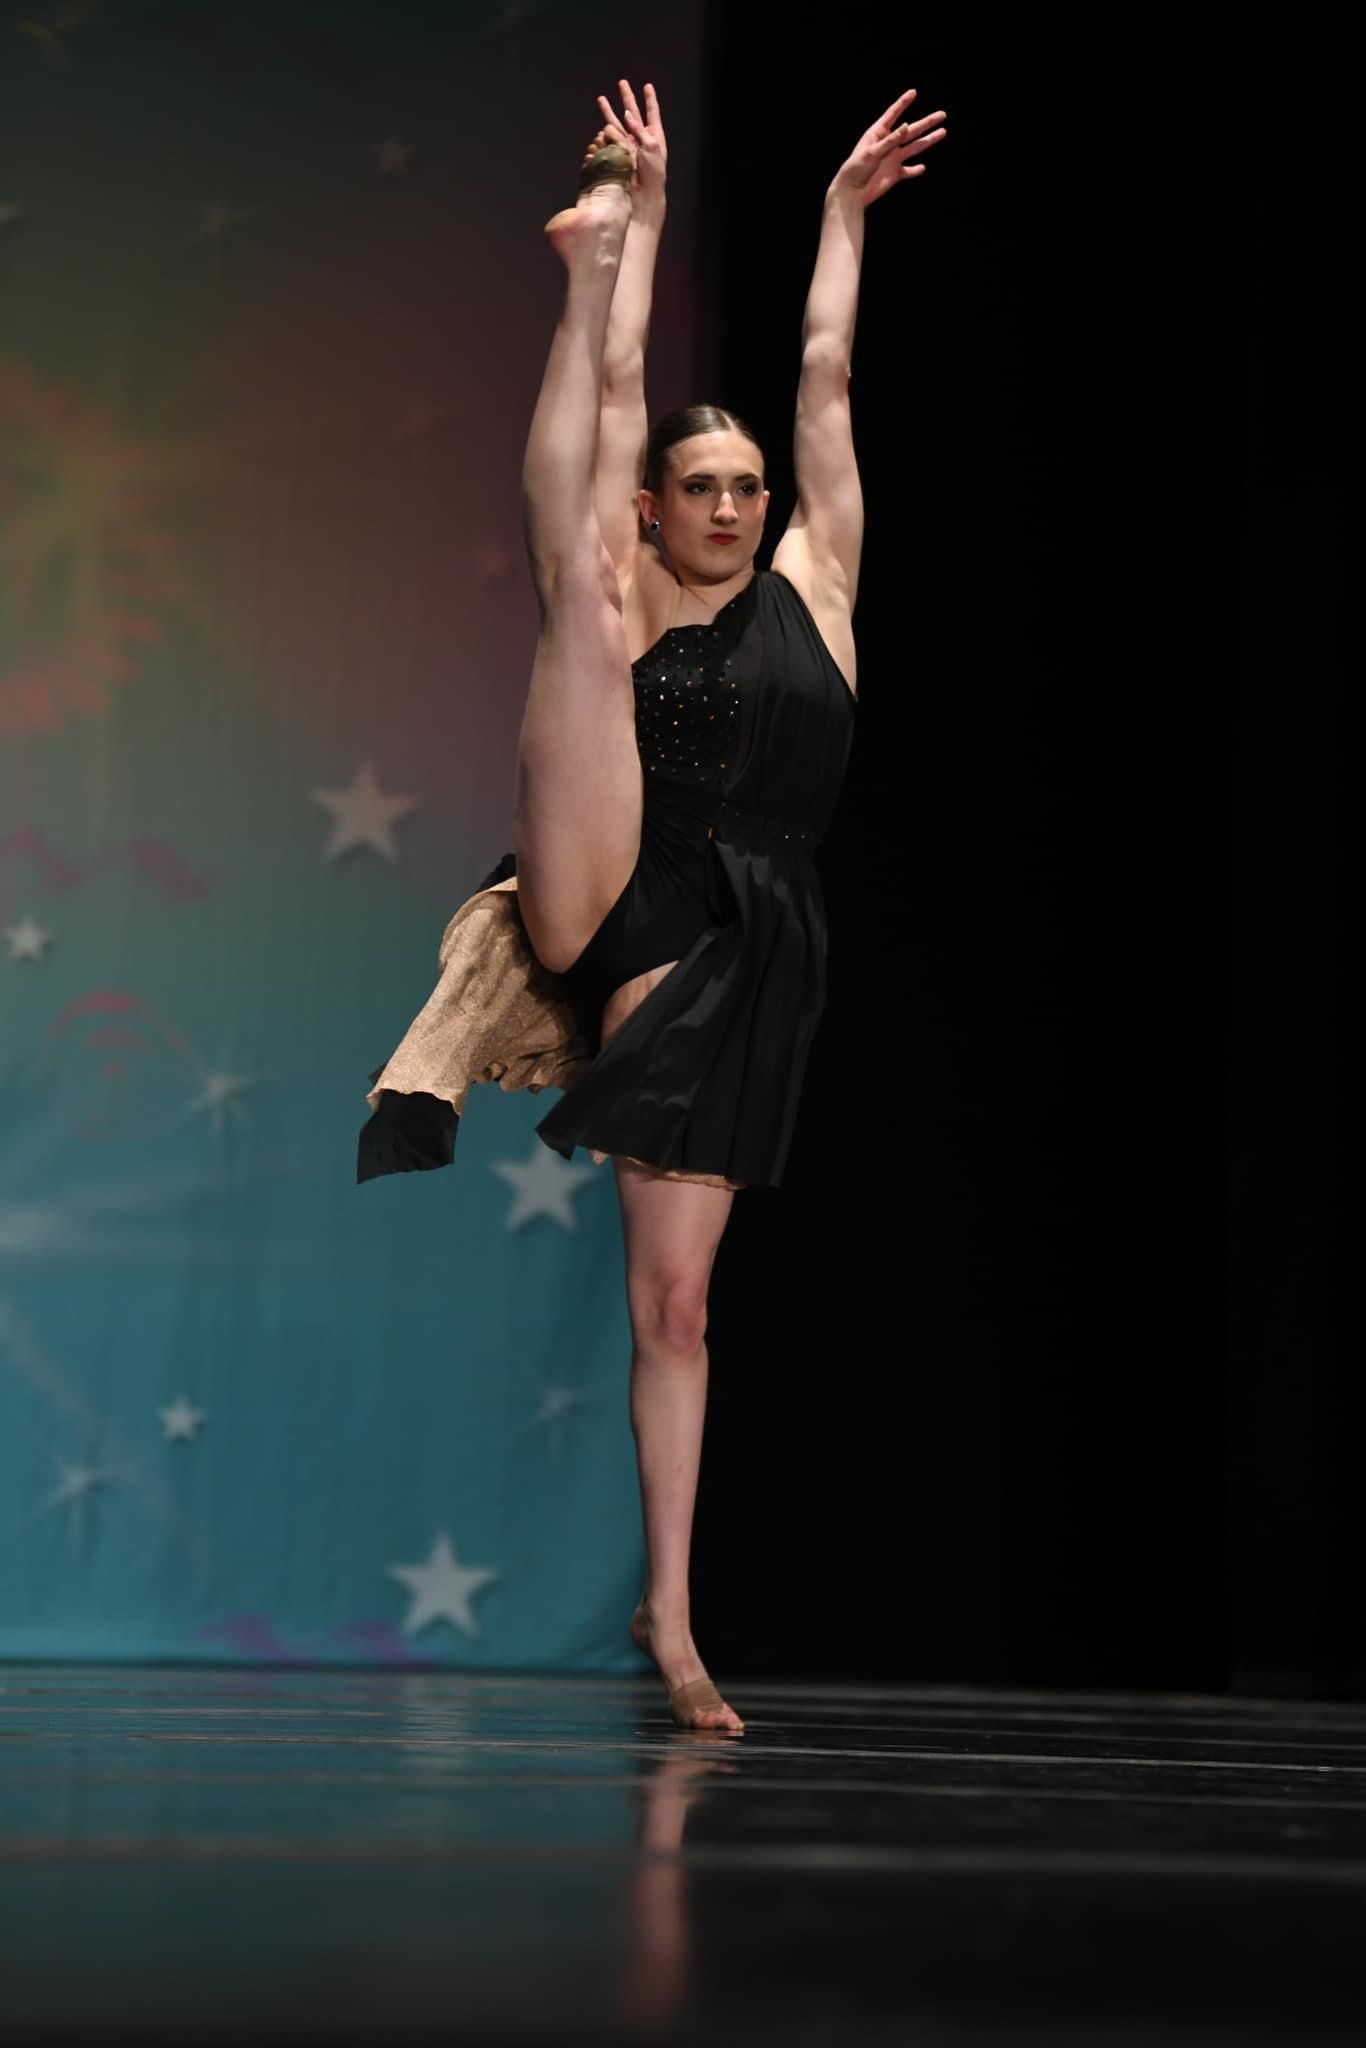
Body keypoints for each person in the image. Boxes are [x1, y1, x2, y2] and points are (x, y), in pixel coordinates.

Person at [359, 82, 948, 1733]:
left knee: (674, 1306)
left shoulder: (819, 586)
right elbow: (620, 408)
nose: (732, 506)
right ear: (660, 502)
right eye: (701, 487)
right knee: (575, 588)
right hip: (618, 884)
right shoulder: (630, 580)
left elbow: (825, 375)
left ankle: (667, 1614)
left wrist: (840, 214)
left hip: (756, 937)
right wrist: (642, 231)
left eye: (746, 487)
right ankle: (586, 260)